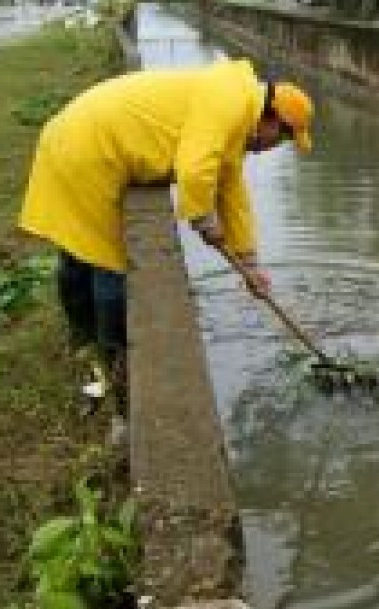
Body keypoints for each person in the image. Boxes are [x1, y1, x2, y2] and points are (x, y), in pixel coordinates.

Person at [18, 57, 314, 416]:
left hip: (76, 138)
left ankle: (82, 337)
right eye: (282, 138)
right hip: (91, 151)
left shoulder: (236, 107)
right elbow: (195, 169)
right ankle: (113, 357)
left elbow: (231, 190)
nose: (273, 147)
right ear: (271, 120)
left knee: (78, 248)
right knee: (104, 261)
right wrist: (204, 219)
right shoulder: (229, 103)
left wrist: (249, 262)